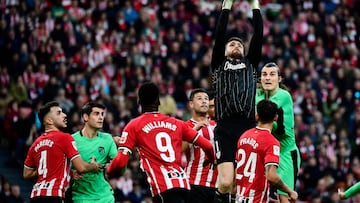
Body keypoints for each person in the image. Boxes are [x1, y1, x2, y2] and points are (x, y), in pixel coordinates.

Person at [106, 82, 216, 203]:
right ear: (158, 102)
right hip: (184, 185)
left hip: (163, 186)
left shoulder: (134, 125)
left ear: (139, 102)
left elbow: (121, 162)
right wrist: (211, 160)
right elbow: (208, 146)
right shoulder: (177, 123)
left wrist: (108, 171)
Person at [210, 0, 263, 202]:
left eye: (239, 44)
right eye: (231, 44)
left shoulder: (251, 64)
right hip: (224, 128)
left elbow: (259, 33)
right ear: (224, 51)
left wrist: (255, 4)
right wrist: (227, 5)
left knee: (240, 184)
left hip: (248, 128)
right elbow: (219, 33)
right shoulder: (218, 65)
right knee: (225, 183)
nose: (236, 46)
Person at [23, 101, 101, 203]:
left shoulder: (36, 143)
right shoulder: (64, 138)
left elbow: (26, 174)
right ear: (49, 120)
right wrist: (94, 166)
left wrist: (52, 169)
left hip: (35, 196)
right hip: (54, 195)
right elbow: (81, 167)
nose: (64, 115)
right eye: (59, 113)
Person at [235, 99, 298, 203]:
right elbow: (271, 176)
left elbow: (237, 170)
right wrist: (290, 191)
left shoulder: (244, 136)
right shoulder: (271, 142)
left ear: (256, 116)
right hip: (256, 199)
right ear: (276, 117)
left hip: (240, 197)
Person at [255, 62, 301, 203]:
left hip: (285, 152)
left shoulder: (283, 96)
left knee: (285, 197)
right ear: (260, 78)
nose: (268, 78)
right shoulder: (258, 94)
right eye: (264, 74)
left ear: (279, 79)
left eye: (272, 74)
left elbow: (264, 117)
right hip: (267, 151)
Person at [71, 102, 118, 203]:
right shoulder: (72, 140)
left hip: (105, 196)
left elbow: (119, 166)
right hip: (81, 197)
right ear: (86, 117)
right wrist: (71, 173)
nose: (101, 117)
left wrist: (123, 149)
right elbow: (60, 167)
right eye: (96, 114)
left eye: (102, 114)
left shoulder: (108, 139)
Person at [183, 88, 217, 203]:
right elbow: (180, 150)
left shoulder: (217, 126)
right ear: (191, 104)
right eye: (200, 98)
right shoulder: (185, 126)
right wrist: (194, 130)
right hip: (194, 183)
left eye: (206, 99)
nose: (204, 101)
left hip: (217, 185)